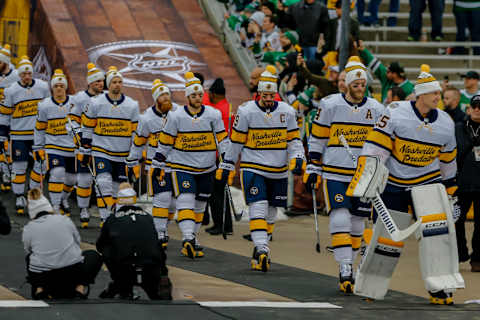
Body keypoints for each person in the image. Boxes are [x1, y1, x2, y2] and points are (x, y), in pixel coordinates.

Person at [357, 71, 461, 304]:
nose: (438, 96)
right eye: (434, 92)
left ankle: (440, 287)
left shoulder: (446, 122)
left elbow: (448, 159)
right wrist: (368, 178)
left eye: (439, 92)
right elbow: (376, 146)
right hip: (395, 182)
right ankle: (371, 284)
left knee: (437, 236)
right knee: (386, 239)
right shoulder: (395, 112)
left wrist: (451, 191)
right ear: (421, 95)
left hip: (428, 181)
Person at [304, 60, 384, 293]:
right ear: (347, 85)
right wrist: (313, 166)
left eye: (363, 84)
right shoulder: (330, 105)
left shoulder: (378, 109)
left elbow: (383, 141)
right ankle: (345, 266)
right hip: (335, 171)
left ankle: (354, 264)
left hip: (365, 173)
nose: (360, 88)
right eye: (356, 84)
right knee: (340, 216)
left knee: (359, 221)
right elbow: (317, 138)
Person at [217, 65, 305, 272]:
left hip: (279, 169)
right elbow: (236, 141)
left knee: (272, 210)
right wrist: (227, 164)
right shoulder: (246, 111)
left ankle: (259, 249)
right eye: (265, 95)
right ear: (259, 92)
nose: (268, 98)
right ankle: (262, 248)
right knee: (258, 206)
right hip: (253, 167)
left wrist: (298, 158)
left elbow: (294, 141)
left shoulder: (287, 111)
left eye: (271, 95)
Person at [151, 72, 230, 259]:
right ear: (187, 96)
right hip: (182, 167)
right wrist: (157, 162)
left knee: (200, 205)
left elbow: (222, 139)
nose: (197, 98)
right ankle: (187, 238)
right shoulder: (176, 115)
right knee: (185, 200)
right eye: (193, 95)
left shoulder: (213, 114)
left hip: (207, 168)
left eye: (199, 94)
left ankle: (192, 237)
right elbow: (166, 142)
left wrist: (226, 159)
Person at [80, 66, 139, 227]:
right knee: (102, 182)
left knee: (116, 188)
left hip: (122, 153)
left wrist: (135, 156)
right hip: (101, 150)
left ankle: (113, 217)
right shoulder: (95, 102)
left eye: (120, 82)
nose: (117, 85)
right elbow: (87, 127)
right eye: (114, 82)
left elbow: (136, 133)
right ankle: (105, 217)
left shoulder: (132, 105)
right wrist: (85, 149)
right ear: (108, 84)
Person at [126, 79, 179, 248]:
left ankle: (163, 226)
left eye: (167, 94)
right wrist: (132, 161)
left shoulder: (178, 112)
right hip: (156, 165)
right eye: (162, 95)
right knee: (162, 198)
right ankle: (160, 232)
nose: (166, 98)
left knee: (173, 203)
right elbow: (138, 142)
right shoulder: (147, 118)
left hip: (178, 164)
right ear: (156, 99)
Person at [97, 183, 172, 300]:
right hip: (151, 267)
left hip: (124, 268)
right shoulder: (148, 217)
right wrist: (163, 272)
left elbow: (100, 245)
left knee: (106, 248)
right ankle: (160, 280)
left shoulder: (112, 219)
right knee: (155, 244)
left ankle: (120, 283)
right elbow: (158, 247)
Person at [23, 188, 102, 299]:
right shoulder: (65, 220)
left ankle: (39, 289)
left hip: (46, 275)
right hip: (71, 272)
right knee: (93, 255)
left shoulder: (29, 228)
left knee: (29, 257)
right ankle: (79, 288)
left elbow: (29, 249)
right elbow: (77, 242)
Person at [0, 56, 50, 215]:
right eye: (23, 74)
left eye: (29, 73)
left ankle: (33, 192)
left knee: (41, 165)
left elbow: (49, 109)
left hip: (39, 135)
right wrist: (3, 135)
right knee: (19, 166)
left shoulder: (43, 87)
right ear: (19, 75)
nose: (27, 76)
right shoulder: (11, 90)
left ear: (32, 73)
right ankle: (19, 196)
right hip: (19, 135)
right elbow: (5, 114)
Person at [33, 69, 76, 216]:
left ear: (65, 87)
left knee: (71, 179)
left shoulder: (75, 103)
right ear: (52, 87)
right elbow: (39, 128)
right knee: (57, 173)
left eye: (61, 86)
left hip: (72, 148)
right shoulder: (44, 105)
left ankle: (63, 199)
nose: (59, 88)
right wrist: (38, 147)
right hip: (53, 147)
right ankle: (56, 207)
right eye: (56, 86)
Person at [68, 63, 105, 228]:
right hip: (85, 144)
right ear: (90, 83)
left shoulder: (106, 98)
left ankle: (105, 213)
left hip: (103, 144)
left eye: (101, 81)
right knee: (84, 179)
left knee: (103, 179)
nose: (100, 84)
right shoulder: (79, 99)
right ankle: (84, 209)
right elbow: (70, 120)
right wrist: (79, 138)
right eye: (97, 82)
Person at [203, 78, 234, 236]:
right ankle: (225, 224)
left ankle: (221, 224)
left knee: (216, 193)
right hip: (227, 154)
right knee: (221, 192)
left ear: (213, 94)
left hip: (218, 155)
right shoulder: (227, 107)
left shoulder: (217, 111)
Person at [454, 95, 480, 272]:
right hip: (460, 183)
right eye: (475, 106)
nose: (478, 109)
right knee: (456, 220)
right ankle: (459, 253)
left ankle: (477, 258)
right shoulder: (457, 128)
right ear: (469, 109)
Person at [0, 44, 20, 193]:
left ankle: (10, 174)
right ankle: (5, 175)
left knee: (9, 149)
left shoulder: (16, 76)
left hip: (12, 118)